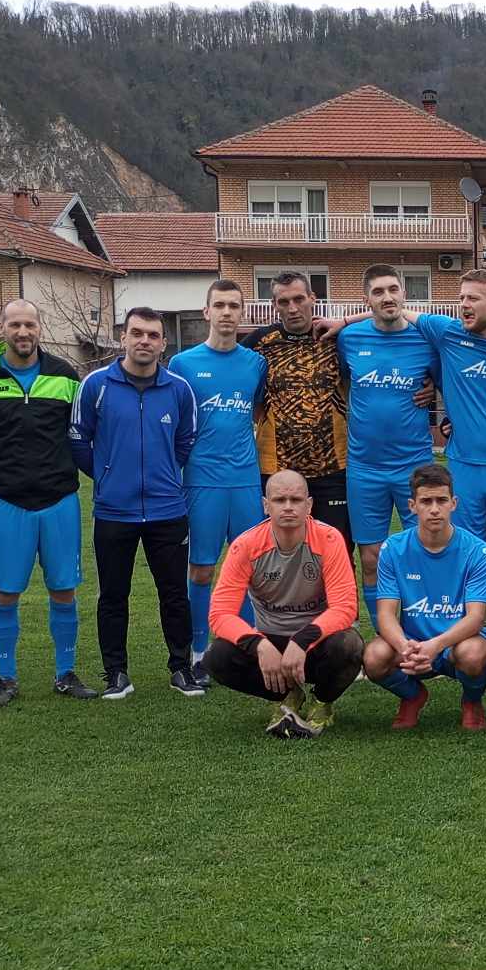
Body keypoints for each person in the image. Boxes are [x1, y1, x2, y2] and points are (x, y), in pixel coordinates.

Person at [0, 297, 98, 707]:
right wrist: (3, 470)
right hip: (6, 501)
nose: (23, 333)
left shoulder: (64, 374)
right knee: (5, 592)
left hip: (59, 499)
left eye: (30, 325)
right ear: (1, 327)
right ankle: (5, 677)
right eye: (15, 325)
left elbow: (79, 433)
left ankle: (65, 672)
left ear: (40, 328)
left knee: (64, 590)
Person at [71, 306, 201, 700]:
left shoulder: (178, 389)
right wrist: (109, 476)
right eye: (137, 333)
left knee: (174, 593)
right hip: (114, 511)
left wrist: (161, 474)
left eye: (153, 335)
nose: (144, 341)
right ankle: (116, 673)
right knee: (113, 595)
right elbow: (78, 439)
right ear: (123, 337)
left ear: (163, 343)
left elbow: (186, 440)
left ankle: (181, 668)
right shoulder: (96, 384)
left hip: (167, 510)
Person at [401, 270, 486, 587]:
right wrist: (342, 323)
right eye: (461, 298)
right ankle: (463, 635)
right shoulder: (447, 333)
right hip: (464, 468)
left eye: (473, 298)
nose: (464, 304)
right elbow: (394, 310)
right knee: (464, 560)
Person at [203, 469, 363, 739]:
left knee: (350, 646)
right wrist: (259, 644)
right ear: (266, 506)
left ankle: (321, 702)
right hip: (272, 643)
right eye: (279, 500)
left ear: (309, 505)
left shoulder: (329, 539)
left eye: (296, 500)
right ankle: (288, 694)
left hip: (316, 643)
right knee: (216, 657)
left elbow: (345, 607)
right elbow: (220, 614)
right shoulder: (246, 546)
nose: (288, 507)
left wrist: (303, 640)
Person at [172, 278, 268, 688]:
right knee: (201, 569)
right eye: (220, 305)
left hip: (245, 482)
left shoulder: (255, 364)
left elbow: (261, 410)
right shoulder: (183, 364)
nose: (227, 312)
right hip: (201, 482)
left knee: (251, 569)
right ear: (206, 312)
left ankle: (244, 648)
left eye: (234, 305)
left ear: (242, 312)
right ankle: (198, 652)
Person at [333, 266, 439, 621]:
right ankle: (385, 640)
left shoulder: (425, 338)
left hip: (416, 466)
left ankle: (421, 639)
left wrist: (434, 393)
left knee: (422, 552)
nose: (387, 297)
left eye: (393, 289)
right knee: (371, 557)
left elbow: (448, 378)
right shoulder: (350, 339)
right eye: (378, 292)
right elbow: (346, 381)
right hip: (365, 469)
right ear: (367, 299)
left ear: (405, 294)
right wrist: (345, 321)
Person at [361, 463, 486, 731]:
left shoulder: (476, 550)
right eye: (426, 501)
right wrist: (404, 646)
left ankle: (471, 701)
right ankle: (413, 696)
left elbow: (476, 618)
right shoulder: (393, 549)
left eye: (441, 500)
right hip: (412, 644)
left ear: (453, 503)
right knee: (374, 657)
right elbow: (386, 613)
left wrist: (435, 646)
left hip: (456, 641)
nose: (434, 509)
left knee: (474, 653)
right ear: (412, 505)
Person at [246, 270, 352, 544]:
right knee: (277, 553)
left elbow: (387, 331)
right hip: (277, 471)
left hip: (333, 469)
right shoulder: (260, 343)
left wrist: (424, 382)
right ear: (274, 305)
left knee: (336, 550)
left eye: (299, 299)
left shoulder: (337, 338)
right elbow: (225, 369)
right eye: (283, 302)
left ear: (312, 298)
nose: (292, 308)